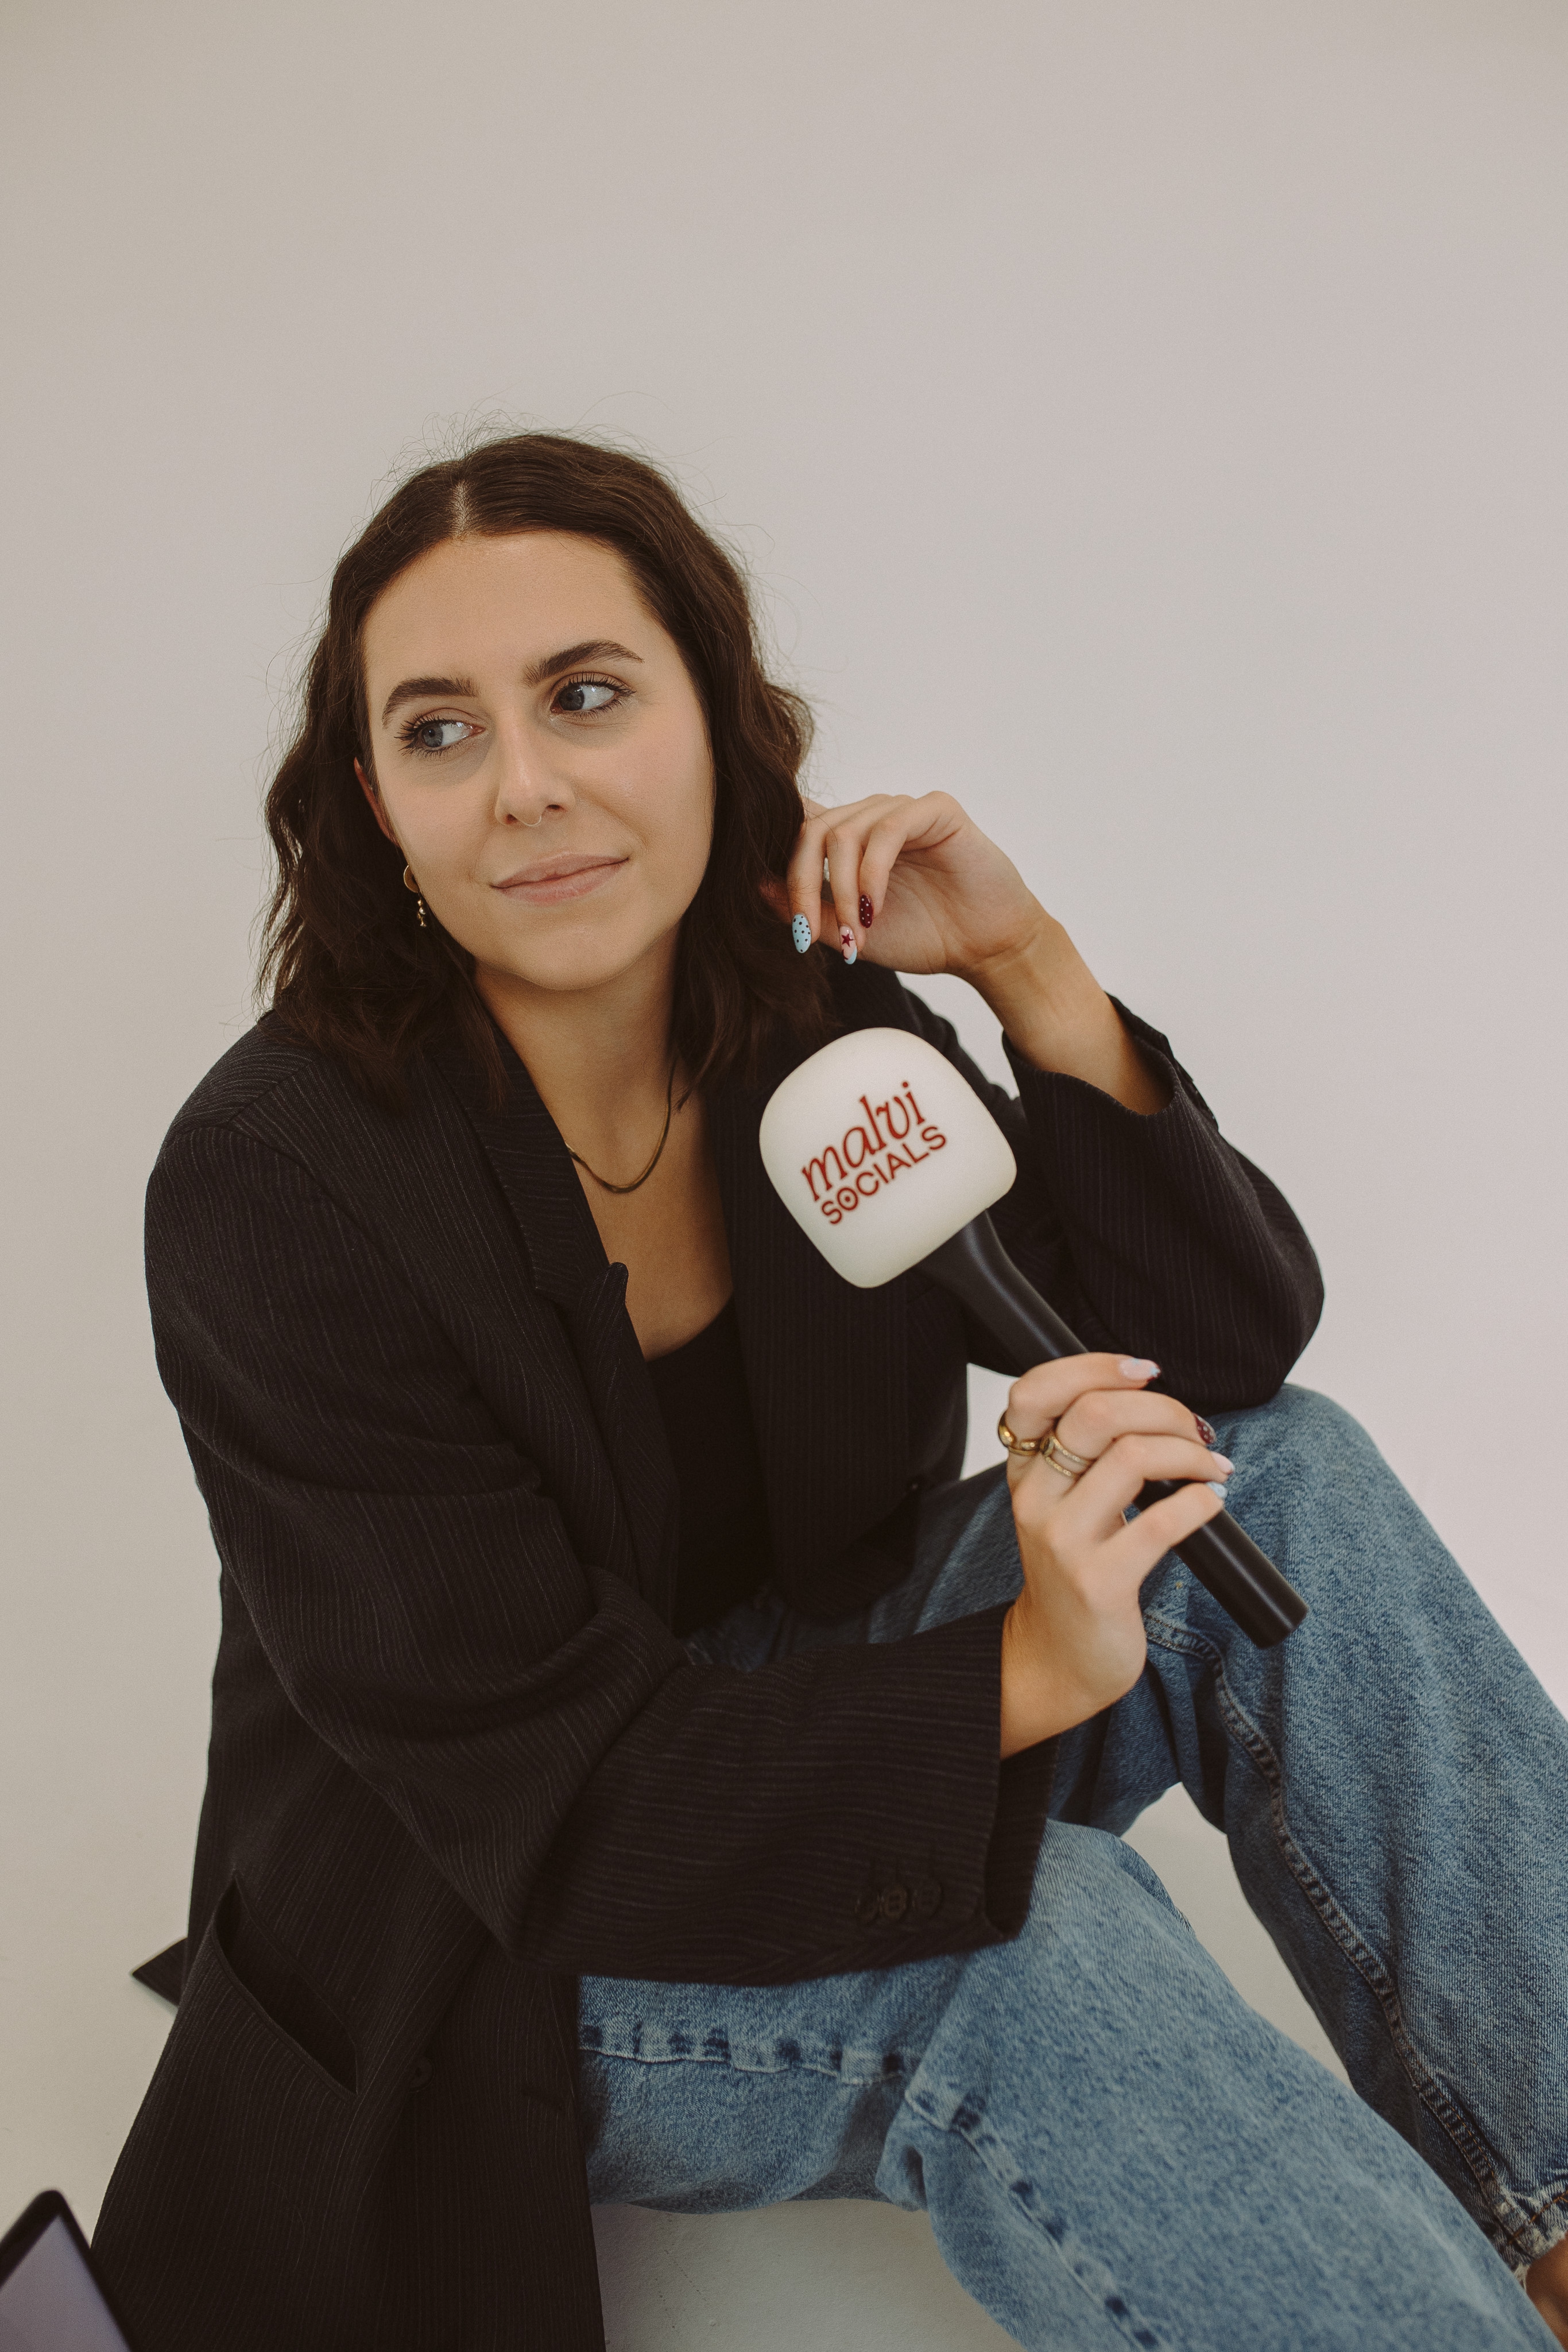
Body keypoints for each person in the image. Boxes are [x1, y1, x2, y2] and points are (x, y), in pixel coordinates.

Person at [94, 432, 1568, 2351]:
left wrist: (1028, 970)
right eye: (440, 731)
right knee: (1032, 1939)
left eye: (585, 695)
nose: (524, 784)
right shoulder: (277, 1183)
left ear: (716, 719)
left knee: (1273, 1477)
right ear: (377, 803)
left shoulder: (800, 1021)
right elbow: (561, 1807)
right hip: (489, 1915)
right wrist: (1027, 1665)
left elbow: (1221, 1353)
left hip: (790, 1701)